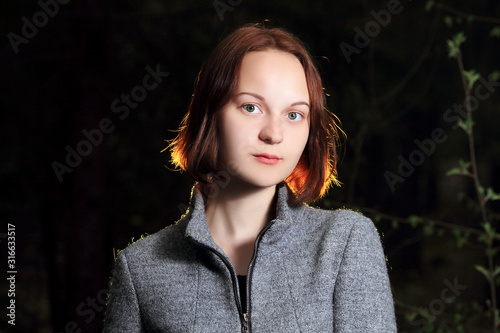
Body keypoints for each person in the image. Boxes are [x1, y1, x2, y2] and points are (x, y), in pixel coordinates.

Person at [104, 24, 397, 332]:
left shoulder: (345, 242)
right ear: (210, 113)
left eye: (294, 114)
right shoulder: (140, 268)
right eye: (251, 107)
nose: (273, 133)